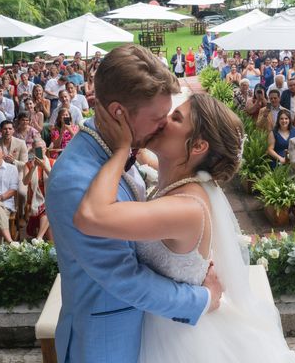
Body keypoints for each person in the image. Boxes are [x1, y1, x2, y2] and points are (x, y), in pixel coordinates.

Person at [46, 45, 224, 363]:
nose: (163, 126)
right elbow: (125, 278)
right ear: (119, 114)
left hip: (146, 332)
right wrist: (202, 298)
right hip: (105, 343)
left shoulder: (113, 145)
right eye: (157, 119)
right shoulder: (76, 181)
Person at [22, 139, 53, 241]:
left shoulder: (53, 162)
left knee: (49, 207)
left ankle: (39, 238)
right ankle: (42, 241)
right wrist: (33, 168)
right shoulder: (28, 164)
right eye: (37, 149)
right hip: (35, 202)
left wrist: (44, 167)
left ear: (45, 149)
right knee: (49, 212)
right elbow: (25, 182)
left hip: (50, 198)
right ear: (33, 151)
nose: (39, 150)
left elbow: (56, 178)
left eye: (41, 148)